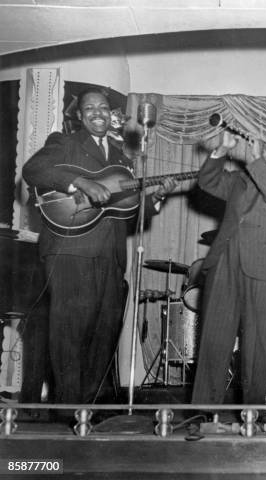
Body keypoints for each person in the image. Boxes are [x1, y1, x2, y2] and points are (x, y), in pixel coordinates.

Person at [22, 87, 175, 407]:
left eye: (103, 108)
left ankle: (87, 410)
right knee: (69, 335)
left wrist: (155, 199)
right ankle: (67, 411)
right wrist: (79, 183)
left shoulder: (121, 156)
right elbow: (32, 170)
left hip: (111, 255)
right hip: (70, 251)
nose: (97, 113)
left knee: (104, 336)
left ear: (112, 115)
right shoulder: (63, 143)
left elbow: (123, 210)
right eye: (90, 108)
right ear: (80, 116)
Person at [191, 129, 266, 405]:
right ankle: (204, 412)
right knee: (213, 340)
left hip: (265, 267)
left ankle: (251, 412)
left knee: (257, 345)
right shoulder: (243, 178)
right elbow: (208, 182)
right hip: (224, 262)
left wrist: (256, 161)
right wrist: (220, 152)